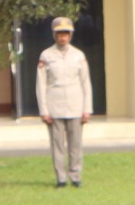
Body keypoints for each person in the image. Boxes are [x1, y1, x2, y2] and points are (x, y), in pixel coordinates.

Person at [36, 16, 94, 187]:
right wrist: (44, 110)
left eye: (66, 34)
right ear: (54, 35)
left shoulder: (78, 55)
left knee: (75, 145)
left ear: (70, 35)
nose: (63, 37)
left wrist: (87, 109)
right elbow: (41, 84)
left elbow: (85, 83)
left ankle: (75, 177)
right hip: (54, 106)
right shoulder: (46, 55)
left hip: (76, 105)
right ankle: (61, 178)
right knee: (57, 145)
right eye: (59, 34)